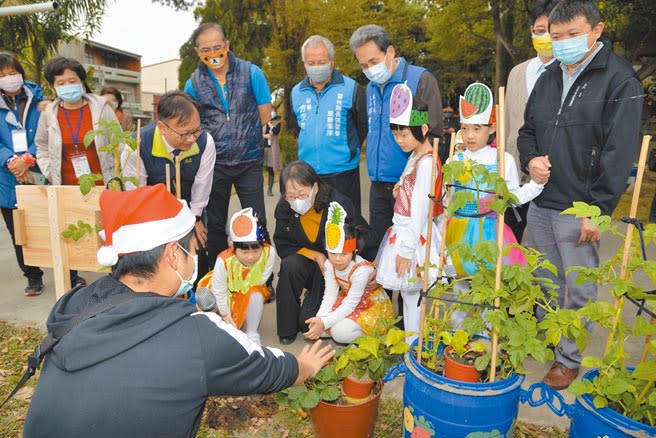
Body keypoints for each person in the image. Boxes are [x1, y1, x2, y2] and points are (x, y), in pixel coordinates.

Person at [23, 184, 334, 438]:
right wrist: (303, 367)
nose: (195, 257)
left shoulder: (77, 304)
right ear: (173, 254)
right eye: (193, 250)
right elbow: (268, 368)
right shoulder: (196, 335)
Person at [517, 0, 643, 390]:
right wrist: (531, 159)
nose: (564, 43)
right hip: (542, 199)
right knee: (543, 278)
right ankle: (548, 340)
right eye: (557, 37)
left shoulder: (620, 80)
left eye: (573, 35)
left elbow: (618, 152)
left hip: (581, 205)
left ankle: (568, 359)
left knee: (579, 285)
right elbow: (527, 131)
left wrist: (600, 209)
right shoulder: (549, 76)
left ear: (596, 30)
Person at [184, 23, 273, 269]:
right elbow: (191, 122)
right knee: (215, 225)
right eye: (206, 49)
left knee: (257, 222)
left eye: (217, 47)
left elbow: (265, 114)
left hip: (249, 161)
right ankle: (219, 277)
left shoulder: (251, 72)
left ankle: (263, 277)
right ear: (197, 51)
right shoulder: (193, 83)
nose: (213, 54)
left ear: (227, 45)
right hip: (215, 165)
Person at [349, 24, 443, 245]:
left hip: (411, 183)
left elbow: (432, 130)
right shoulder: (372, 87)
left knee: (412, 248)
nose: (370, 69)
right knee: (381, 248)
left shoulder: (419, 79)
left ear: (390, 52)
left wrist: (411, 174)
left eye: (373, 62)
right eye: (363, 65)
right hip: (379, 184)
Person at [35, 56, 119, 288]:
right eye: (60, 83)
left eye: (71, 80)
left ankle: (117, 278)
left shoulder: (101, 108)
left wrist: (117, 178)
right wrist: (50, 172)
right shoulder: (49, 114)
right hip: (68, 185)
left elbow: (118, 142)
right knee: (70, 234)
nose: (67, 86)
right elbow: (40, 145)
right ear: (53, 86)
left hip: (102, 184)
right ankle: (72, 280)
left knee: (109, 233)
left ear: (81, 82)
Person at [445, 83, 545, 277]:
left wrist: (536, 185)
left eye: (477, 128)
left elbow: (512, 196)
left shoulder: (501, 160)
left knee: (488, 286)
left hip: (490, 233)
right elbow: (446, 199)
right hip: (457, 231)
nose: (469, 135)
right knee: (460, 287)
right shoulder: (454, 160)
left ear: (492, 128)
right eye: (464, 129)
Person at [273, 160, 377, 345]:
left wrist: (370, 269)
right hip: (310, 264)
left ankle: (328, 302)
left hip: (337, 269)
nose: (296, 200)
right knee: (289, 264)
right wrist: (315, 255)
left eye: (301, 194)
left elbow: (361, 238)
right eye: (290, 195)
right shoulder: (284, 208)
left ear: (315, 187)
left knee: (308, 324)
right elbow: (282, 243)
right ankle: (286, 329)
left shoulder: (337, 204)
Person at [374, 84, 444, 343]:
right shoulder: (416, 155)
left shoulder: (426, 162)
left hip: (414, 237)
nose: (399, 140)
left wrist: (405, 250)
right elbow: (407, 189)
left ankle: (413, 347)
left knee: (413, 296)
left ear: (423, 129)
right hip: (403, 231)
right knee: (409, 296)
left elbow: (420, 211)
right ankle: (410, 347)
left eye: (404, 134)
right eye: (396, 134)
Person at [122, 90, 215, 280]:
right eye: (184, 133)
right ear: (162, 127)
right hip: (151, 213)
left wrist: (195, 219)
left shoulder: (205, 142)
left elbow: (202, 185)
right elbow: (137, 193)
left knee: (196, 254)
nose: (191, 139)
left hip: (189, 206)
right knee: (157, 264)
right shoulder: (136, 144)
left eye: (196, 130)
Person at [291, 35, 367, 215]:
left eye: (321, 61)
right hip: (309, 175)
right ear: (304, 63)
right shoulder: (296, 92)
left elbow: (362, 125)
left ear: (331, 62)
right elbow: (297, 127)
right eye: (311, 62)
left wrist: (349, 150)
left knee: (346, 225)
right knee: (314, 227)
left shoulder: (351, 88)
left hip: (343, 173)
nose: (316, 67)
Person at [504, 0, 557, 242]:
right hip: (513, 174)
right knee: (507, 241)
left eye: (550, 29)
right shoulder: (517, 72)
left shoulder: (567, 74)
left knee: (541, 248)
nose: (544, 36)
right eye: (539, 30)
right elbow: (506, 125)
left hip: (549, 178)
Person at [304, 202, 393, 344]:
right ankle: (339, 326)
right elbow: (330, 294)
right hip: (348, 301)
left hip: (370, 306)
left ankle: (377, 337)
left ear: (354, 251)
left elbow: (351, 304)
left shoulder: (361, 271)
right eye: (332, 253)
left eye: (344, 254)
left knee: (339, 333)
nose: (337, 259)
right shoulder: (329, 264)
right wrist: (320, 320)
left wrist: (325, 323)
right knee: (318, 327)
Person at [0, 52, 45, 296]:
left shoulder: (39, 101)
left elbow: (47, 132)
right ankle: (32, 276)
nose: (8, 78)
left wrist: (27, 159)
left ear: (21, 73)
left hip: (38, 171)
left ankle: (68, 271)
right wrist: (11, 161)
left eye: (12, 73)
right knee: (18, 230)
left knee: (48, 224)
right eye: (2, 75)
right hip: (7, 177)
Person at [199, 207, 276, 345]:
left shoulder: (269, 253)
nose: (251, 257)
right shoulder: (223, 261)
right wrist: (227, 317)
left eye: (256, 250)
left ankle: (252, 332)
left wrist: (242, 292)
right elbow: (219, 291)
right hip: (224, 292)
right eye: (244, 252)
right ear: (232, 246)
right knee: (218, 323)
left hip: (248, 289)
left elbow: (261, 279)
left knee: (257, 294)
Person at [263, 111, 281, 197]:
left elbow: (276, 131)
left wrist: (269, 124)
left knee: (271, 169)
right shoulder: (263, 122)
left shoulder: (277, 123)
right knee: (259, 169)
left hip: (272, 149)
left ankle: (269, 189)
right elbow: (258, 133)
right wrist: (264, 136)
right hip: (263, 148)